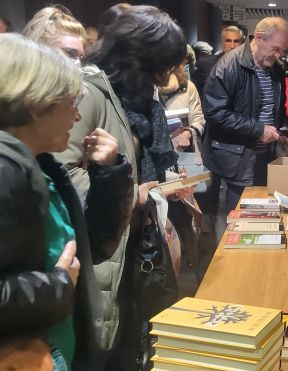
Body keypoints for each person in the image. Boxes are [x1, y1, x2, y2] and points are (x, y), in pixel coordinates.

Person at [54, 5, 187, 369]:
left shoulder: (127, 96)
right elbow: (60, 174)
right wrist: (130, 192)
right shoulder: (90, 92)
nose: (163, 79)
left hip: (119, 245)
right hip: (94, 252)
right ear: (138, 59)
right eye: (159, 67)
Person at [0, 33, 132, 370]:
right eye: (70, 103)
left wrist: (109, 176)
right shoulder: (7, 170)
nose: (77, 117)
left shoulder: (41, 164)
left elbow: (92, 248)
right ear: (35, 104)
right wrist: (54, 288)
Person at [201, 16, 288, 244]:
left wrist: (281, 129)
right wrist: (258, 129)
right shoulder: (228, 65)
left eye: (282, 50)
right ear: (259, 38)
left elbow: (275, 108)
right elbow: (215, 114)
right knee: (236, 220)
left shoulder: (276, 69)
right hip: (236, 159)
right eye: (275, 49)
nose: (278, 55)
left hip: (264, 156)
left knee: (259, 218)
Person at [192, 25, 245, 95]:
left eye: (236, 41)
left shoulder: (248, 66)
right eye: (228, 41)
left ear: (241, 44)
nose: (232, 46)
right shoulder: (207, 64)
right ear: (222, 43)